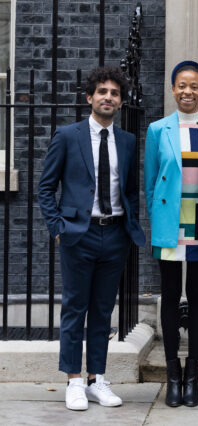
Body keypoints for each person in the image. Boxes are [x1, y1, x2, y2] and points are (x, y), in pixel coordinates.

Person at [38, 66, 146, 411]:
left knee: (103, 311)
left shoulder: (128, 141)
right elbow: (45, 187)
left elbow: (129, 190)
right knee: (74, 308)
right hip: (78, 236)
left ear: (120, 101)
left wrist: (128, 229)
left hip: (114, 235)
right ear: (89, 98)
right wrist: (58, 227)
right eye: (102, 92)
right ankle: (73, 380)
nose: (108, 98)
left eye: (114, 93)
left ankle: (97, 379)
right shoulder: (67, 136)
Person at [144, 60, 198, 408]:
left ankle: (192, 377)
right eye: (182, 85)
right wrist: (158, 217)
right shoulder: (157, 129)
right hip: (169, 223)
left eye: (194, 86)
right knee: (169, 293)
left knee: (197, 296)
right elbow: (150, 182)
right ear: (173, 88)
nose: (188, 91)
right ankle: (172, 375)